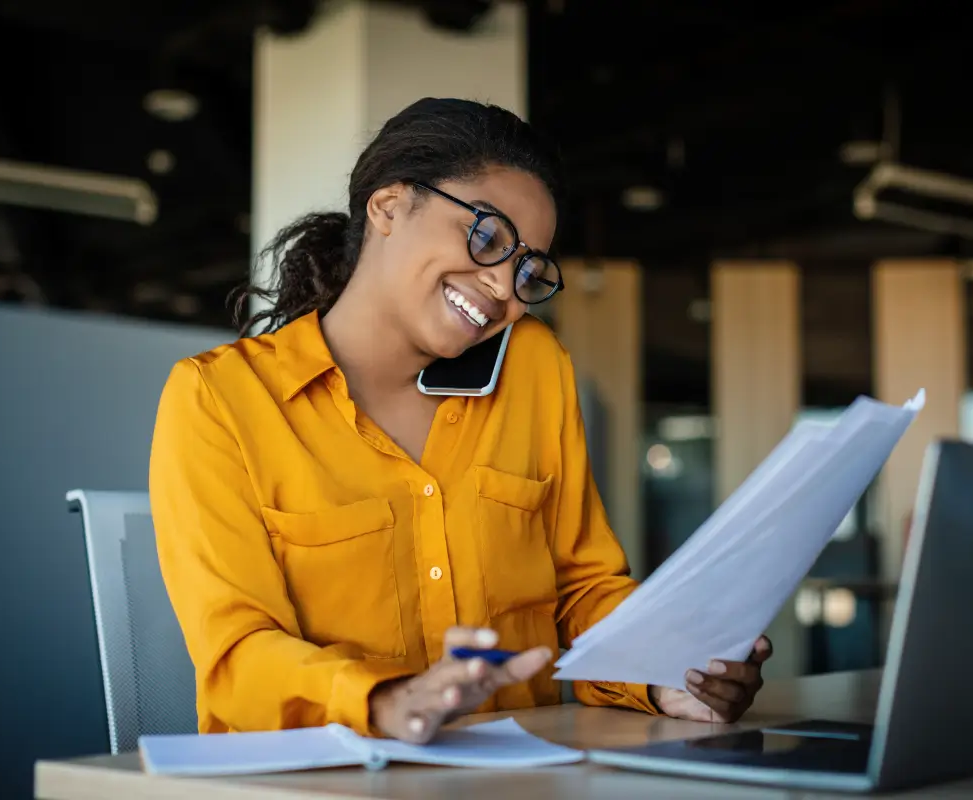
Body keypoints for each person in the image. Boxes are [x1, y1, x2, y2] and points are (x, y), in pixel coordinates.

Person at [149, 97, 772, 744]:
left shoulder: (534, 368)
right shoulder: (220, 398)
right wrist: (385, 701)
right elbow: (236, 654)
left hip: (517, 781)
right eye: (487, 236)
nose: (505, 286)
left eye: (527, 266)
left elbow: (582, 589)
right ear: (388, 206)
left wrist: (663, 672)